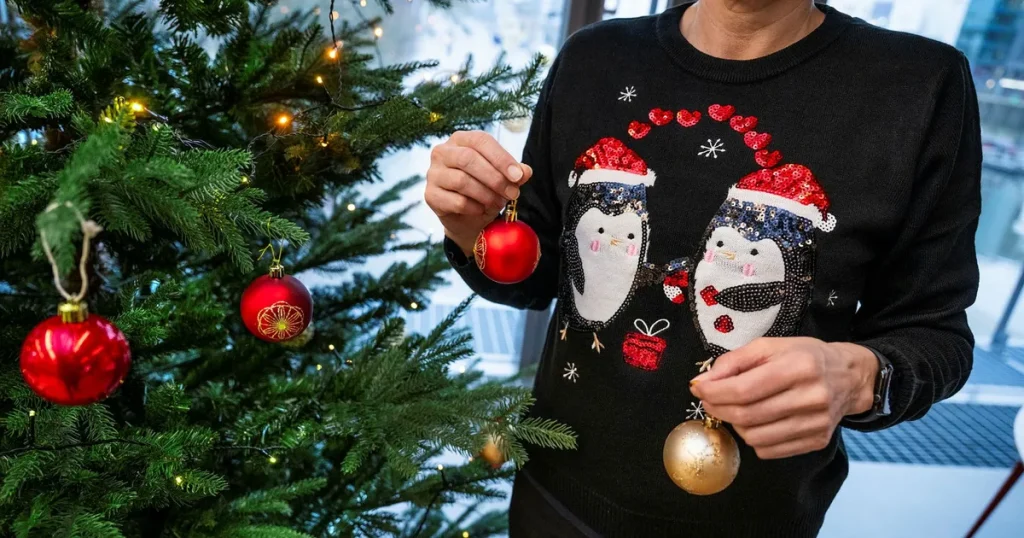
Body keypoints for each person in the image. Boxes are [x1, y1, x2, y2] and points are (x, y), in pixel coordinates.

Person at [425, 0, 981, 535]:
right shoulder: (594, 58)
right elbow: (540, 274)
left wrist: (857, 379)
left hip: (753, 520)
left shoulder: (917, 86)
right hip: (554, 495)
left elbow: (935, 333)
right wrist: (473, 228)